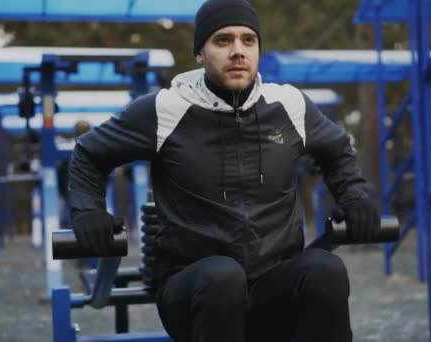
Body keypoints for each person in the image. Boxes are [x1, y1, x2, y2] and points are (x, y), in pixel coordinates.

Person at [68, 0, 380, 341]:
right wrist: (88, 211)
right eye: (223, 40)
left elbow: (337, 150)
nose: (237, 51)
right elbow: (87, 153)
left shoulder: (288, 106)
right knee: (223, 277)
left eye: (248, 40)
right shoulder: (165, 109)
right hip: (194, 289)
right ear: (200, 53)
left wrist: (355, 194)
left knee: (325, 270)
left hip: (272, 288)